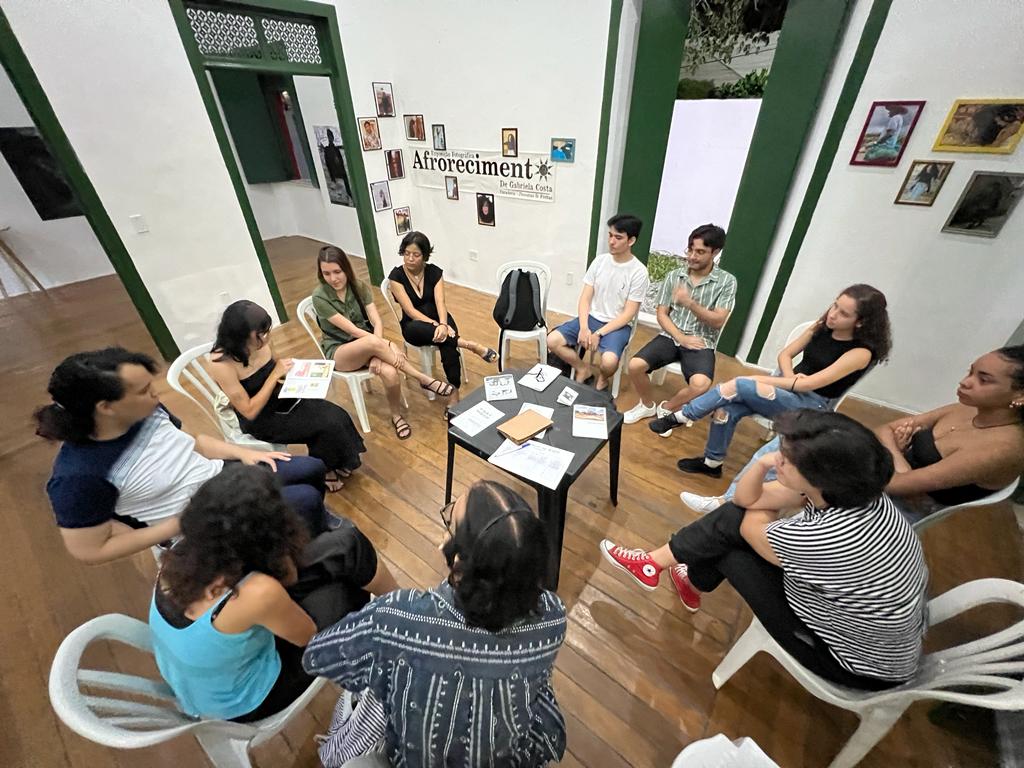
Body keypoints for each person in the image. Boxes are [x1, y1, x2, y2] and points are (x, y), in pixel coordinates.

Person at [600, 410, 928, 691]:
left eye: (786, 457)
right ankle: (668, 571)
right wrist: (761, 466)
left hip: (852, 664)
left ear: (819, 477)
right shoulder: (855, 494)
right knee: (733, 524)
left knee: (730, 540)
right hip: (873, 637)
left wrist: (764, 496)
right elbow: (746, 499)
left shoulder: (828, 534)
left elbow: (744, 522)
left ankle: (658, 567)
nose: (778, 456)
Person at [303, 481, 567, 767]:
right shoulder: (553, 617)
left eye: (450, 524)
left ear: (458, 560)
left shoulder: (397, 618)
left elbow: (317, 656)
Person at [36, 348, 337, 565]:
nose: (155, 394)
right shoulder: (78, 477)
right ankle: (295, 562)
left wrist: (243, 452)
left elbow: (194, 443)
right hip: (194, 521)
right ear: (106, 407)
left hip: (219, 478)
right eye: (143, 390)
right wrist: (176, 526)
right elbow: (89, 550)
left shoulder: (146, 411)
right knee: (304, 500)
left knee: (311, 468)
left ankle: (302, 539)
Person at [149, 464, 398, 722]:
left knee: (346, 547)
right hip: (245, 699)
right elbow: (306, 636)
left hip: (206, 677)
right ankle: (395, 630)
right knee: (347, 591)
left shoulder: (179, 556)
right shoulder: (258, 592)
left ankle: (401, 604)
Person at [681, 346, 1024, 520]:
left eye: (983, 379)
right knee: (789, 448)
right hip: (879, 473)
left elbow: (901, 486)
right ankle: (728, 504)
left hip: (892, 508)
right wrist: (898, 454)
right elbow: (885, 429)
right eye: (970, 371)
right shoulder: (966, 408)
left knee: (794, 465)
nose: (965, 382)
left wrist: (895, 454)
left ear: (1019, 396)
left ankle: (730, 511)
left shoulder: (1003, 448)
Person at [651, 284, 891, 477]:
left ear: (861, 322)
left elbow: (809, 385)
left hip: (812, 406)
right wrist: (789, 377)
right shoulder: (821, 327)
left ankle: (683, 416)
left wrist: (762, 379)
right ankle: (712, 463)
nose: (833, 314)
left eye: (843, 313)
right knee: (727, 408)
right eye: (835, 305)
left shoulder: (861, 353)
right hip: (789, 388)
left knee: (740, 385)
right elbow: (785, 354)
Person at [209, 300, 365, 492]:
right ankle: (325, 470)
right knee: (322, 425)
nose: (267, 337)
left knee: (336, 414)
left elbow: (275, 367)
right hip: (261, 418)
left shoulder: (261, 343)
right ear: (240, 336)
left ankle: (337, 461)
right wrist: (275, 376)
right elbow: (249, 411)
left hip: (281, 396)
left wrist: (296, 373)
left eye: (267, 331)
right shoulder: (221, 364)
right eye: (261, 334)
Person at [314, 246, 455, 440]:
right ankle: (422, 378)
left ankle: (396, 416)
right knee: (375, 343)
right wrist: (384, 345)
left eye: (337, 272)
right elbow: (352, 331)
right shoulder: (320, 296)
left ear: (346, 268)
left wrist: (376, 352)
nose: (333, 278)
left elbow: (377, 321)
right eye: (326, 273)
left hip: (369, 345)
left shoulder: (359, 286)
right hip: (340, 352)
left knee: (390, 373)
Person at [624, 224, 737, 434]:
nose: (692, 256)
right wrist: (680, 337)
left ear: (715, 252)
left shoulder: (727, 282)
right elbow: (662, 314)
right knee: (635, 365)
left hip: (702, 340)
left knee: (701, 384)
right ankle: (647, 405)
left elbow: (718, 321)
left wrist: (690, 303)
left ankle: (667, 408)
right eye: (690, 249)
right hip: (671, 334)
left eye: (700, 252)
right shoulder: (674, 275)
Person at [387, 231, 497, 406]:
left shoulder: (434, 272)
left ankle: (454, 393)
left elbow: (440, 302)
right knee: (444, 336)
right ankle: (470, 345)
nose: (410, 259)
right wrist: (438, 325)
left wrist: (444, 324)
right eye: (406, 254)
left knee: (447, 345)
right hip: (414, 325)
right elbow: (410, 310)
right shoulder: (396, 277)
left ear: (424, 255)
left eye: (416, 254)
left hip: (440, 317)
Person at [548, 213, 649, 392]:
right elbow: (585, 299)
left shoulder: (639, 272)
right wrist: (584, 327)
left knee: (609, 363)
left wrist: (599, 333)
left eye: (618, 237)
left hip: (617, 325)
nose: (611, 241)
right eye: (610, 235)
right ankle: (582, 369)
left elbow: (628, 314)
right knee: (552, 340)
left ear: (631, 240)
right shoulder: (600, 261)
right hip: (592, 318)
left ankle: (603, 378)